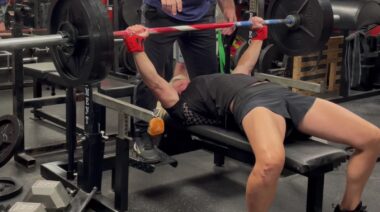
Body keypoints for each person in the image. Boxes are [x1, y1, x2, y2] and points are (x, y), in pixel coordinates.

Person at [123, 17, 380, 212]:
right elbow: (155, 82)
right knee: (271, 162)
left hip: (281, 95)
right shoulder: (181, 105)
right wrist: (136, 47)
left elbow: (245, 64)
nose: (178, 77)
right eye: (174, 80)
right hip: (251, 102)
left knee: (372, 139)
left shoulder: (219, 78)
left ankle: (349, 208)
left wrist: (258, 35)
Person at [134, 0, 237, 162]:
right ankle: (141, 133)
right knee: (150, 75)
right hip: (161, 13)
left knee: (208, 82)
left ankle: (206, 130)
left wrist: (228, 7)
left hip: (202, 14)